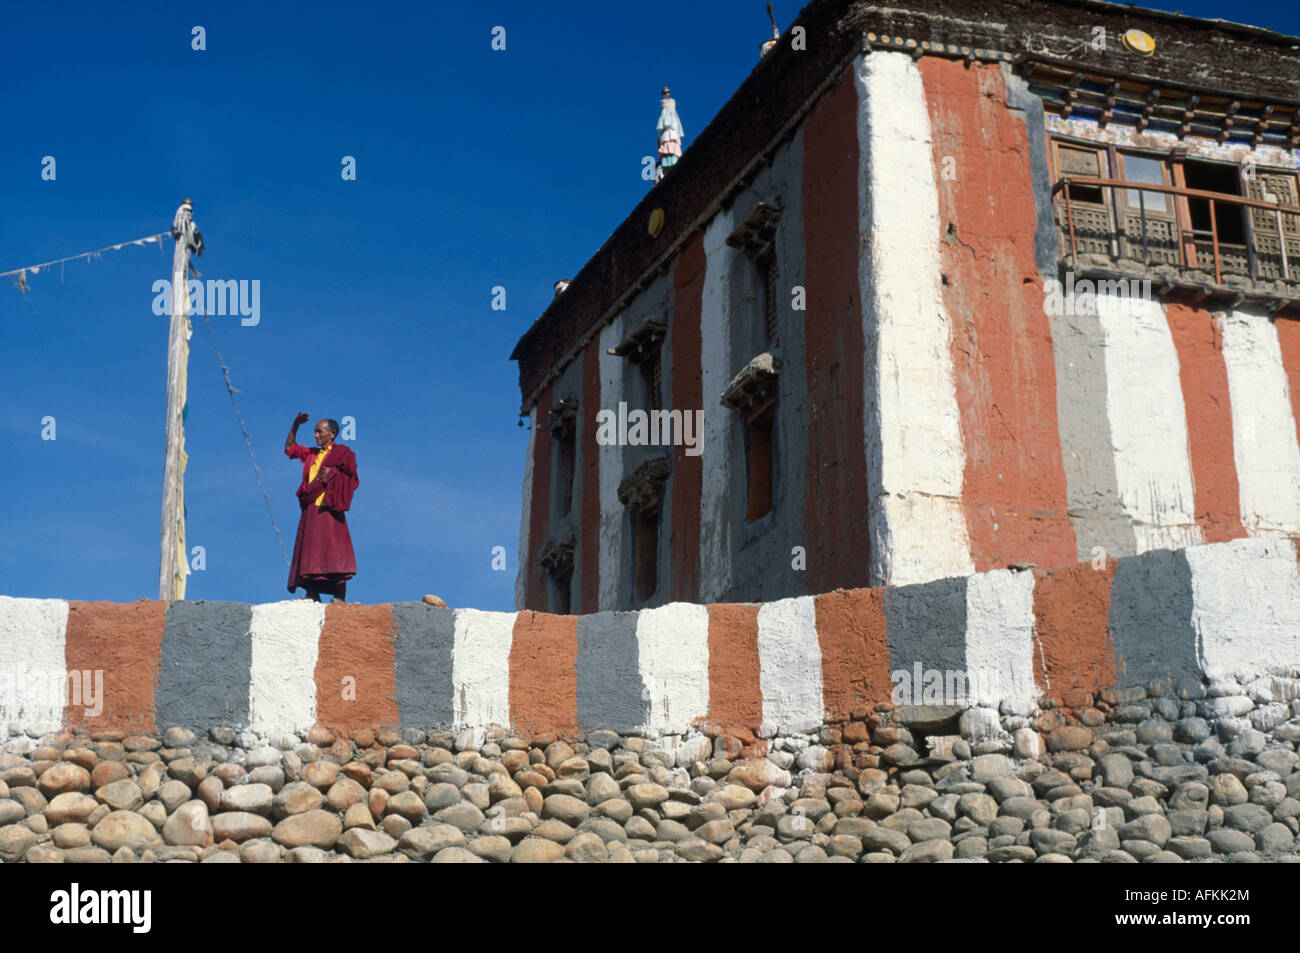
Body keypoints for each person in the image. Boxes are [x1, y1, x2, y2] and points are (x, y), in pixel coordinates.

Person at [284, 412, 358, 601]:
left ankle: (339, 595)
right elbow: (289, 448)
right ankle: (312, 593)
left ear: (332, 434)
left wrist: (333, 474)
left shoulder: (343, 454)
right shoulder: (311, 454)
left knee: (334, 551)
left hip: (331, 508)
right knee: (310, 551)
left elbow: (352, 479)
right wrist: (295, 424)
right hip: (312, 509)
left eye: (319, 432)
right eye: (315, 432)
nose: (316, 435)